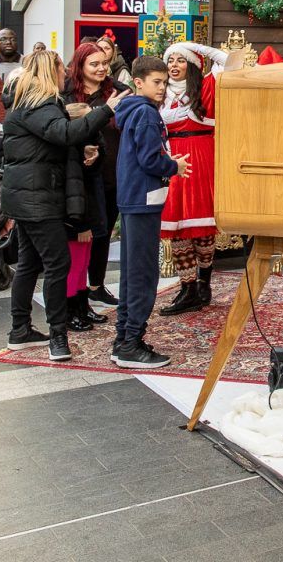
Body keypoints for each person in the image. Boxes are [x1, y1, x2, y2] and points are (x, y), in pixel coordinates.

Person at [2, 50, 120, 361]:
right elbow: (65, 133)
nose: (65, 75)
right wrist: (105, 110)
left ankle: (20, 330)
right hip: (38, 198)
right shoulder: (39, 104)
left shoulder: (24, 104)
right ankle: (58, 337)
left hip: (26, 196)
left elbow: (54, 142)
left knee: (28, 264)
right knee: (57, 265)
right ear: (51, 71)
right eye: (61, 70)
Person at [113, 56, 187, 369]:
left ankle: (123, 338)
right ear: (138, 82)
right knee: (143, 273)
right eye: (156, 82)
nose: (162, 88)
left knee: (132, 272)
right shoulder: (145, 113)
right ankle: (131, 342)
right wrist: (174, 166)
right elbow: (149, 158)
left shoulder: (134, 110)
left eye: (164, 83)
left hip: (133, 197)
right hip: (144, 198)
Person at [158, 42, 232, 316]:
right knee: (177, 227)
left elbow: (228, 61)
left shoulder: (205, 87)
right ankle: (187, 287)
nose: (174, 65)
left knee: (201, 227)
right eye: (170, 60)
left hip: (200, 157)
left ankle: (204, 282)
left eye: (181, 60)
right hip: (171, 158)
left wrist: (193, 46)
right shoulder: (160, 93)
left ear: (192, 65)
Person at [64, 42, 129, 306]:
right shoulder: (66, 94)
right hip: (78, 173)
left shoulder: (119, 92)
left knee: (103, 232)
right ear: (80, 66)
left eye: (104, 63)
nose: (102, 68)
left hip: (111, 170)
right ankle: (74, 292)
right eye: (94, 64)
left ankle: (97, 284)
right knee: (80, 234)